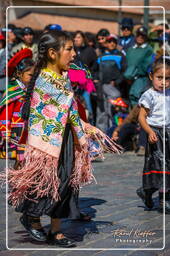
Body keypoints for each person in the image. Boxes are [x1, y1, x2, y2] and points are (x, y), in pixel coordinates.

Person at [5, 30, 121, 247]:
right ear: (52, 53)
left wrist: (86, 127)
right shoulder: (43, 81)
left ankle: (57, 230)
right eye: (69, 49)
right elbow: (54, 113)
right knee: (46, 183)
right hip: (46, 143)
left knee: (65, 182)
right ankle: (32, 218)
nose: (74, 54)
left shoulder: (64, 77)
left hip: (66, 139)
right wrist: (78, 124)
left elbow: (71, 110)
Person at [137, 57, 170, 213]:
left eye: (167, 78)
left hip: (168, 133)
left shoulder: (169, 94)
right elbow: (141, 117)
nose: (163, 82)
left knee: (167, 165)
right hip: (155, 134)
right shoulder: (148, 95)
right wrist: (150, 131)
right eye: (160, 78)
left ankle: (147, 192)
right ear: (151, 76)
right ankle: (164, 200)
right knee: (159, 165)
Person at [0, 48, 34, 167]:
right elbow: (6, 113)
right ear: (19, 74)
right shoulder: (13, 90)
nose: (33, 78)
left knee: (29, 158)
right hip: (16, 130)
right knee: (20, 159)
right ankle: (19, 182)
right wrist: (5, 132)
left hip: (29, 129)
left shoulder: (30, 90)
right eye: (30, 75)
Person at [124, 26, 154, 106]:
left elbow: (145, 65)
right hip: (127, 80)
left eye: (143, 35)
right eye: (138, 35)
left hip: (140, 79)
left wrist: (132, 75)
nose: (140, 37)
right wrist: (127, 76)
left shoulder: (148, 49)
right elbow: (125, 63)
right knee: (127, 101)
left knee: (136, 99)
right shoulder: (130, 49)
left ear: (146, 37)